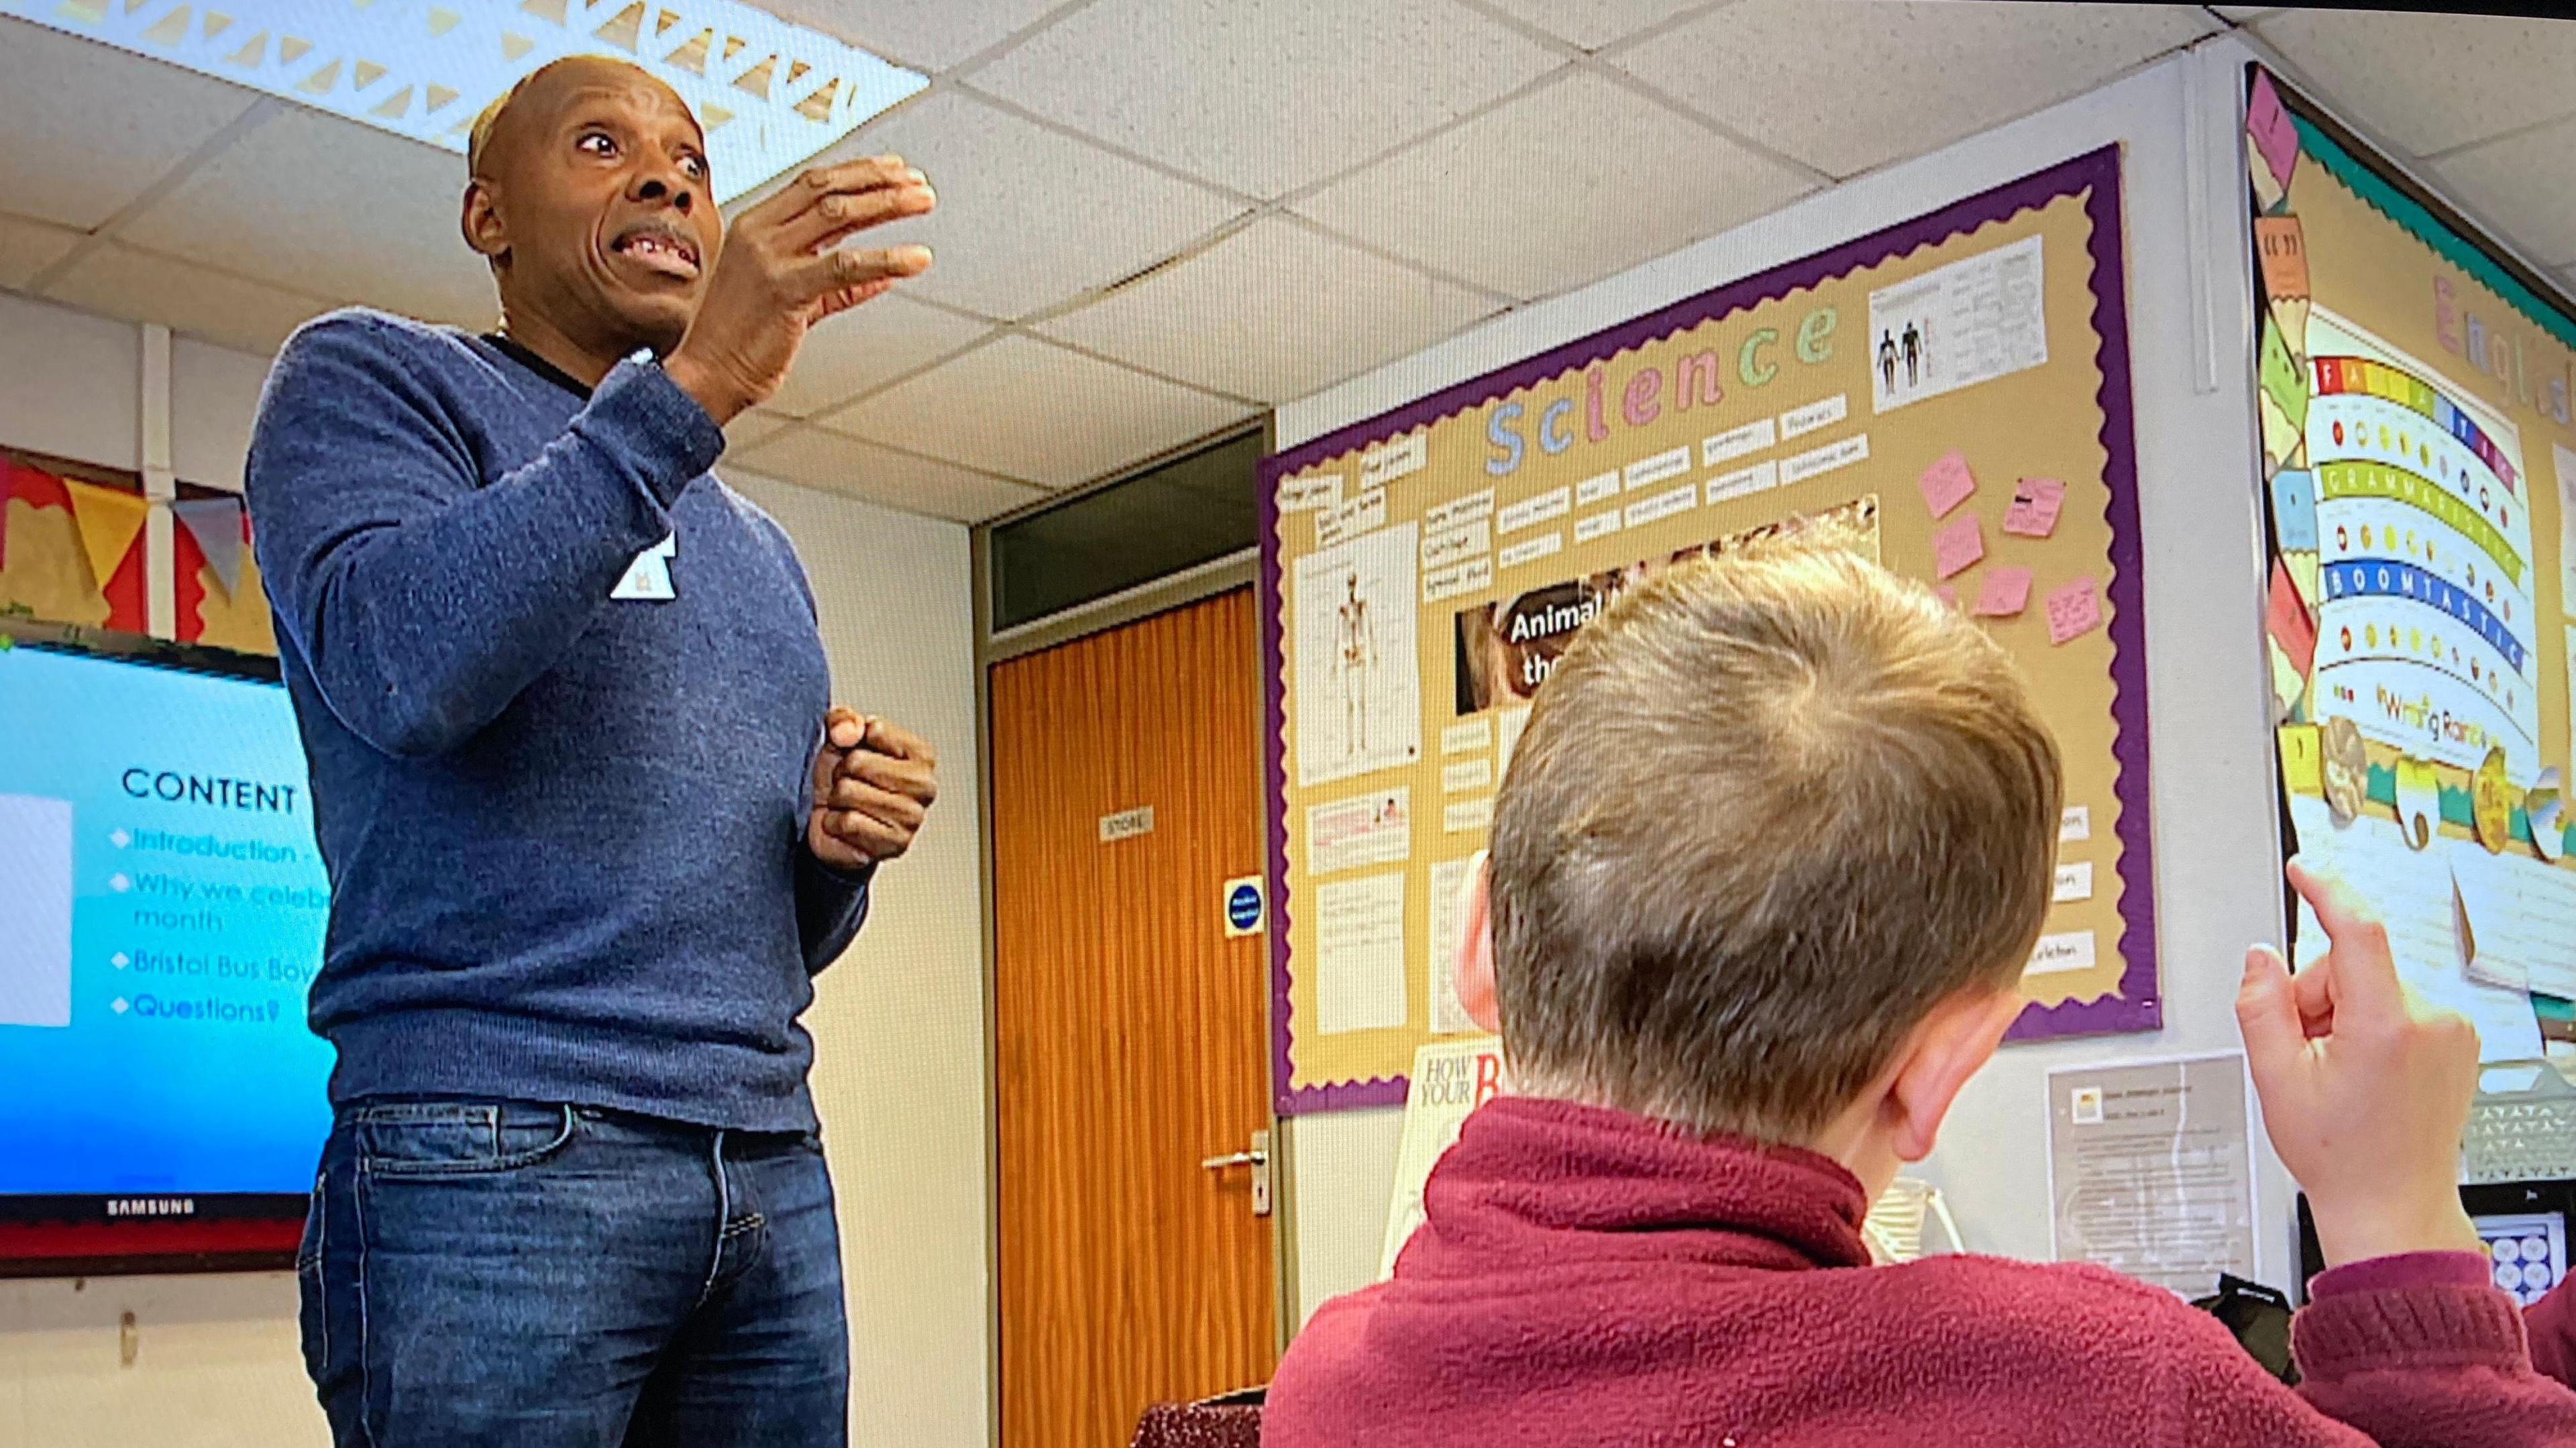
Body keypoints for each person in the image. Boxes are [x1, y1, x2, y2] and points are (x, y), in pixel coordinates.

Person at [1263, 544, 2576, 1446]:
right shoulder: (2095, 1392)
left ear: (1480, 938)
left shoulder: (1327, 1385)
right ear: (1940, 1066)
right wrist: (2391, 1204)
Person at [246, 54, 942, 1448]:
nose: (667, 176)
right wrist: (695, 390)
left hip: (764, 1163)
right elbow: (404, 664)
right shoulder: (373, 379)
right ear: (487, 215)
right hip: (490, 1151)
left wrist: (833, 851)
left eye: (688, 154)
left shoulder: (761, 547)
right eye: (601, 143)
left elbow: (763, 934)